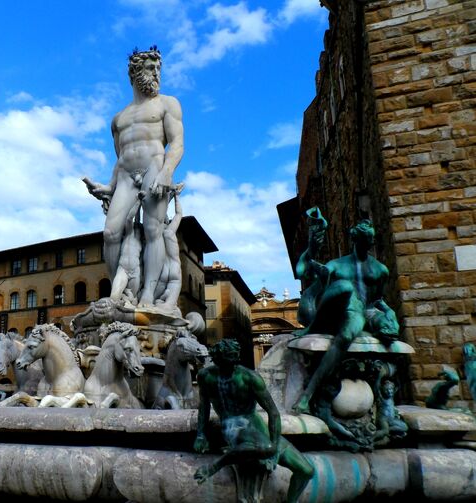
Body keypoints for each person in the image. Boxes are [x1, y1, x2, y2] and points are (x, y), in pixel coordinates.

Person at [84, 46, 184, 308]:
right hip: (127, 175)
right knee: (110, 232)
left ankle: (148, 295)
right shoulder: (119, 118)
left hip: (155, 168)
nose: (157, 73)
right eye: (151, 68)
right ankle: (122, 292)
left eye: (159, 68)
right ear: (135, 73)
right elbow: (120, 159)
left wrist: (166, 172)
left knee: (153, 230)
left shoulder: (168, 104)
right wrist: (109, 187)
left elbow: (177, 144)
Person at [293, 218, 399, 414]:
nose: (370, 243)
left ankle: (384, 407)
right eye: (367, 239)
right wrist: (311, 247)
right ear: (356, 239)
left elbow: (378, 300)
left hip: (366, 311)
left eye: (371, 239)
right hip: (346, 310)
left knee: (374, 329)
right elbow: (302, 271)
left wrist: (389, 313)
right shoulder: (337, 265)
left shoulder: (380, 270)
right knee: (344, 288)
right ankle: (308, 393)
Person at [193, 339, 313, 503]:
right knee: (267, 448)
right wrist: (201, 435)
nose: (234, 362)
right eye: (229, 359)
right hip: (233, 427)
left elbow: (273, 413)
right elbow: (204, 406)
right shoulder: (206, 376)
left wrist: (275, 447)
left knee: (306, 471)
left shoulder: (250, 378)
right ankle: (213, 467)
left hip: (256, 426)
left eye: (235, 358)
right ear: (217, 359)